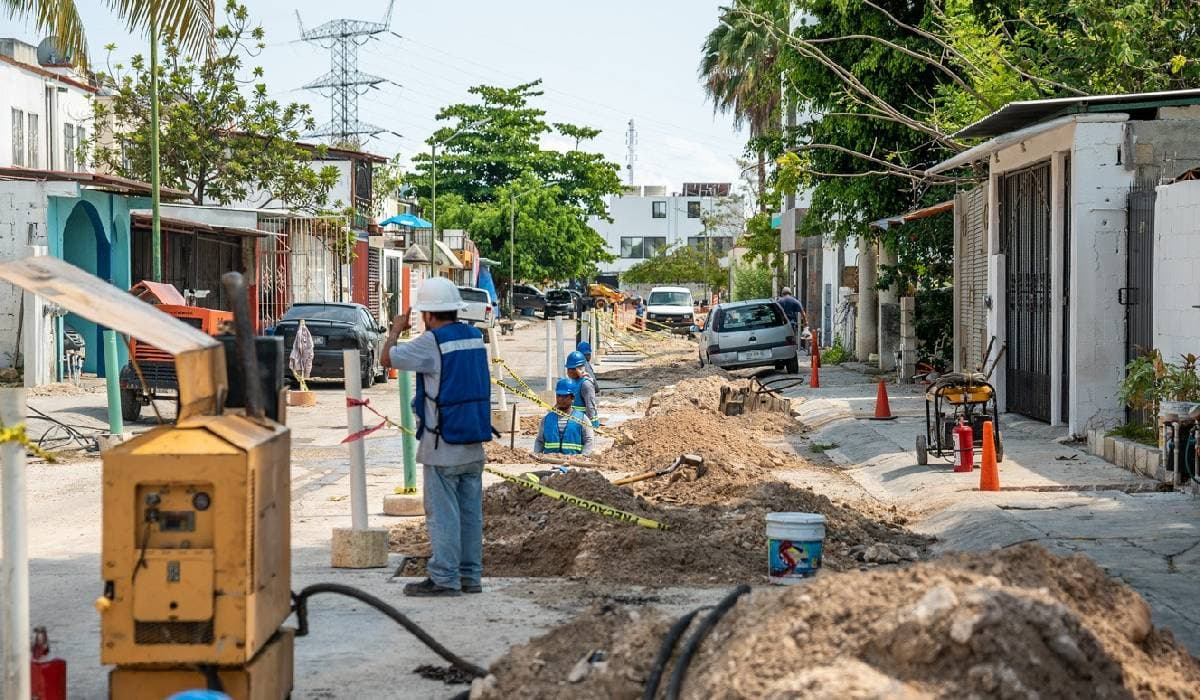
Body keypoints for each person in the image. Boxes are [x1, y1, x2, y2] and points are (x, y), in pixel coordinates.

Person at [382, 277, 493, 597]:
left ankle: (445, 578)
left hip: (442, 445)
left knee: (443, 514)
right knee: (471, 515)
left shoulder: (431, 343)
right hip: (473, 441)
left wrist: (395, 331)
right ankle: (470, 577)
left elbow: (387, 359)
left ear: (428, 314)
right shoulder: (474, 337)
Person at [533, 378, 594, 455]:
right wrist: (536, 454)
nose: (561, 399)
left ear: (573, 398)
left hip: (573, 461)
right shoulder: (547, 419)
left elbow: (589, 440)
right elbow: (540, 440)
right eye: (559, 396)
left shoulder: (582, 419)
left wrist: (583, 456)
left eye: (565, 396)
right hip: (549, 461)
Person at [565, 350, 599, 428]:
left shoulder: (586, 384)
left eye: (572, 369)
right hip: (574, 423)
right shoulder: (571, 382)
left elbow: (590, 406)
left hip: (584, 424)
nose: (569, 372)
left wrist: (591, 426)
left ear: (579, 369)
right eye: (568, 369)